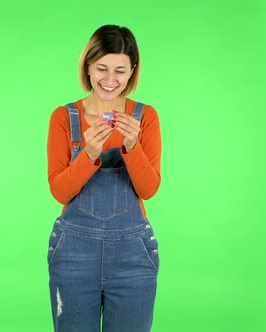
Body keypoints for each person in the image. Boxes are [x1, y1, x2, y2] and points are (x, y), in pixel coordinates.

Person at [46, 24, 162, 332]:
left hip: (132, 258)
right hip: (73, 255)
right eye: (102, 69)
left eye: (120, 71)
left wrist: (132, 147)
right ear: (87, 65)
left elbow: (148, 189)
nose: (110, 81)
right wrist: (89, 153)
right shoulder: (64, 118)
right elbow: (59, 190)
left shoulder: (145, 117)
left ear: (132, 71)